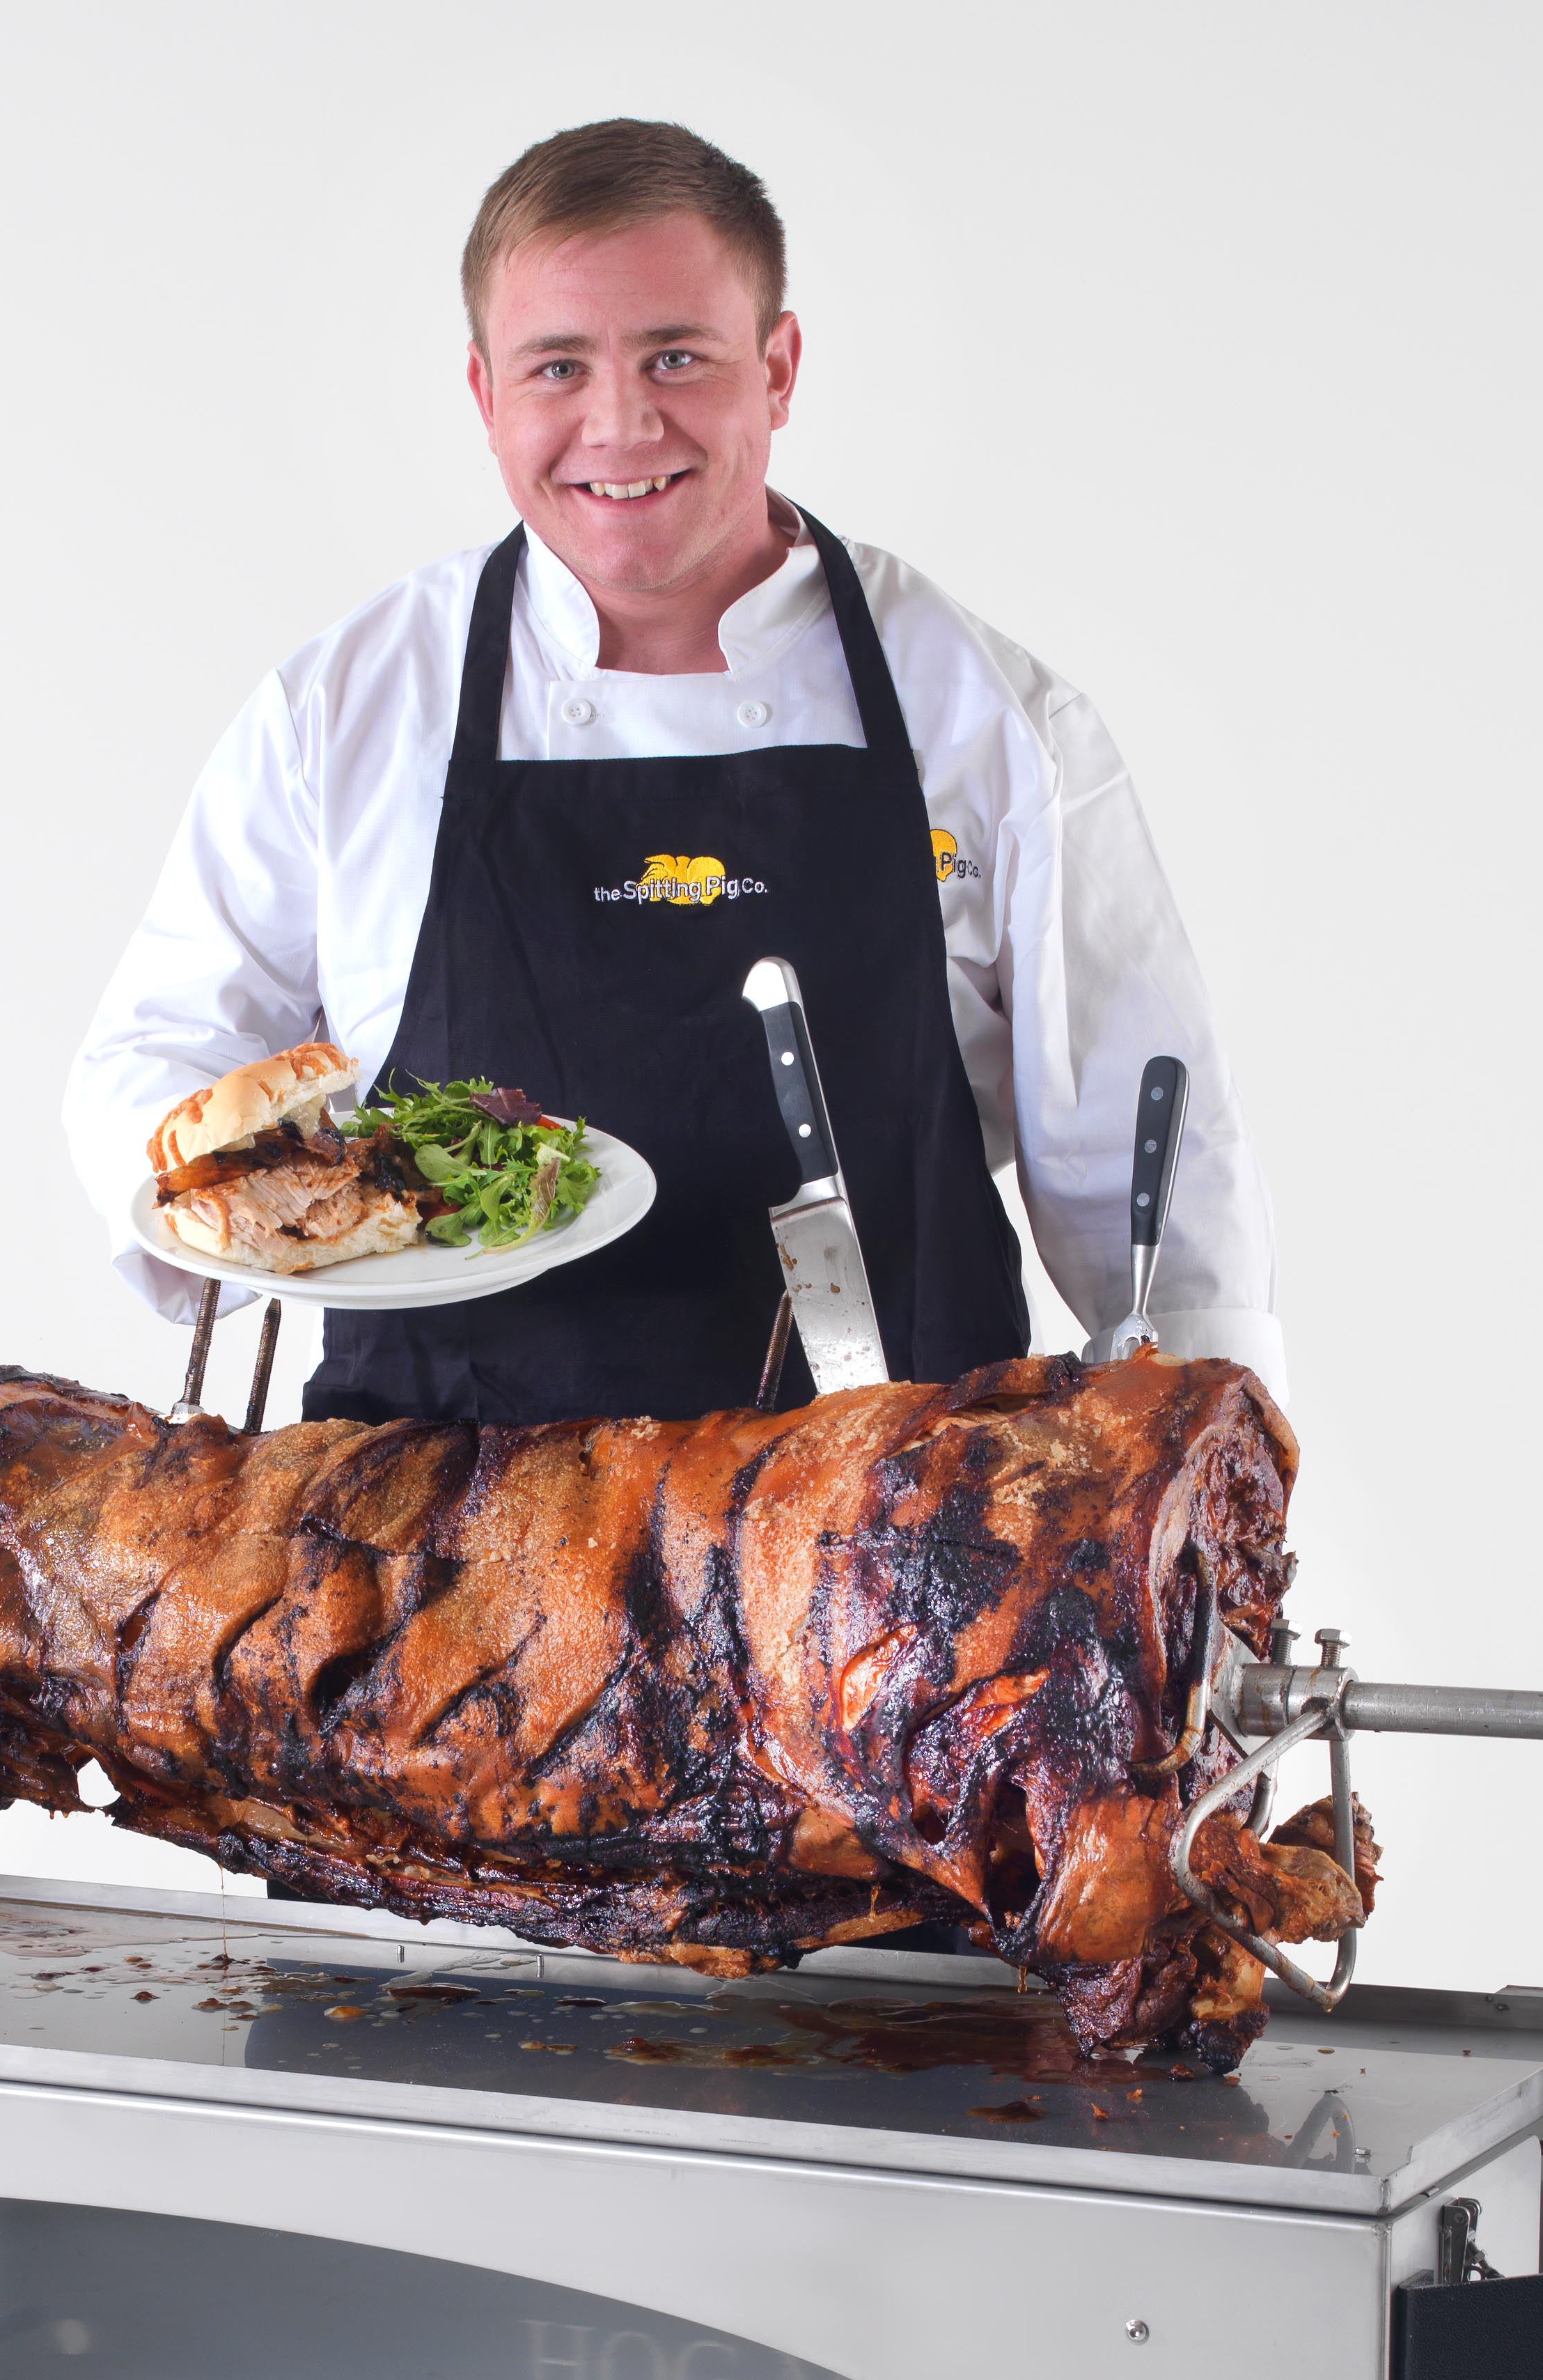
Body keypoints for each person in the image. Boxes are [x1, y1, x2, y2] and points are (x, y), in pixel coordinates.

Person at [65, 118, 1283, 1426]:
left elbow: (1148, 1163)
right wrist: (263, 1212)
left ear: (779, 368)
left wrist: (1220, 1474)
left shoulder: (986, 714)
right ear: (485, 394)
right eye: (558, 367)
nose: (621, 423)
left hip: (888, 1508)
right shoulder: (345, 710)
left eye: (677, 357)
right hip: (432, 1518)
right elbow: (162, 1055)